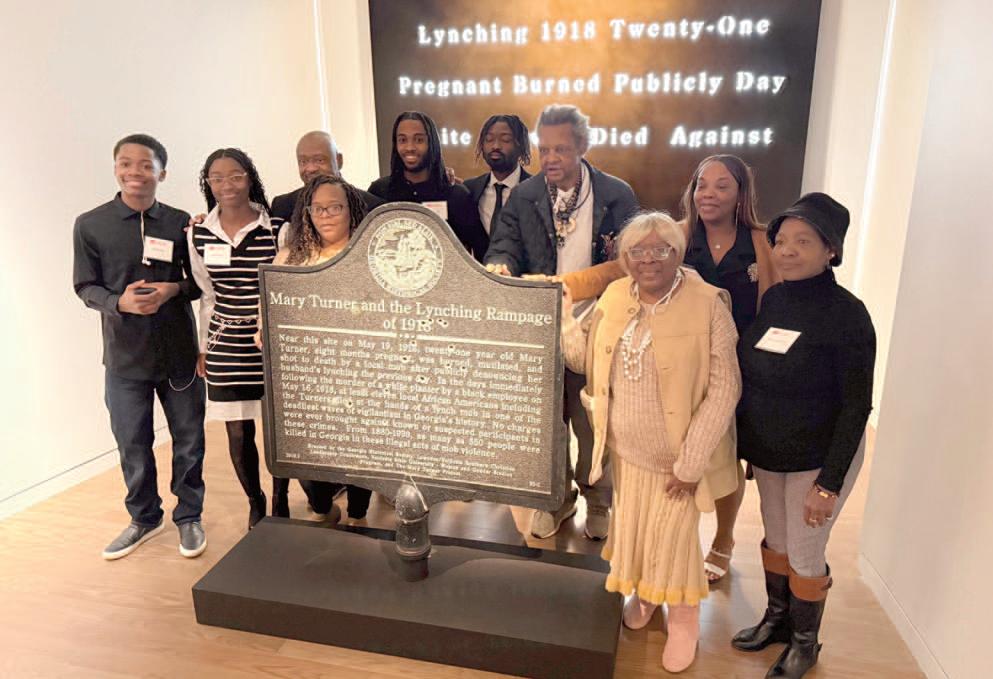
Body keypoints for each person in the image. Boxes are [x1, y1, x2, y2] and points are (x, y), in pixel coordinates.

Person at [560, 211, 740, 673]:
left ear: (678, 253)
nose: (649, 260)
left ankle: (683, 617)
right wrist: (564, 318)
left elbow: (725, 389)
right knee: (636, 532)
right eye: (637, 251)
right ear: (624, 257)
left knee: (674, 542)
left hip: (679, 459)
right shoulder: (616, 294)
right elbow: (583, 361)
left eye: (661, 249)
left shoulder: (708, 303)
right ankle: (645, 593)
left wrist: (691, 463)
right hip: (626, 452)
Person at [732, 193, 875, 679]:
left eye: (803, 241)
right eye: (781, 240)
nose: (787, 251)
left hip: (818, 455)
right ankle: (777, 620)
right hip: (772, 452)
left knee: (806, 549)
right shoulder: (775, 299)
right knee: (776, 540)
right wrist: (750, 446)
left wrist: (828, 484)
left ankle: (804, 642)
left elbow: (856, 406)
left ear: (830, 250)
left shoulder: (848, 315)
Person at [486, 103, 639, 541]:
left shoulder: (616, 194)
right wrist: (501, 264)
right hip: (541, 329)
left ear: (583, 147)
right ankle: (554, 500)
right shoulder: (524, 196)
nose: (550, 158)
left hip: (599, 325)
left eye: (561, 149)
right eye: (545, 149)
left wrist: (574, 285)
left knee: (593, 420)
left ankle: (599, 500)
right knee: (547, 426)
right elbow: (504, 244)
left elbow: (629, 262)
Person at [73, 133, 207, 560]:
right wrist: (119, 302)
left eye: (146, 165)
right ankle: (144, 518)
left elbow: (199, 283)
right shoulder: (90, 224)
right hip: (124, 358)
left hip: (178, 354)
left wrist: (173, 289)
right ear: (116, 168)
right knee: (132, 443)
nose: (136, 172)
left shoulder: (181, 223)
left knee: (189, 440)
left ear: (162, 173)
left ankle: (189, 516)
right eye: (126, 163)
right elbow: (84, 286)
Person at [679, 154, 780, 583]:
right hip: (685, 369)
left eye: (722, 186)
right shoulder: (679, 236)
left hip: (741, 370)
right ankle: (679, 541)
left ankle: (723, 539)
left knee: (728, 457)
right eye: (702, 185)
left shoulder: (761, 242)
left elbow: (775, 308)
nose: (709, 194)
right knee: (684, 454)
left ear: (741, 194)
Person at [256, 174, 374, 521]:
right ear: (307, 212)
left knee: (360, 452)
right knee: (309, 453)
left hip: (358, 376)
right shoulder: (289, 259)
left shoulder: (369, 257)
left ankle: (358, 514)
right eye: (318, 208)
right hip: (307, 379)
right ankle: (322, 507)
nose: (326, 215)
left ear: (351, 210)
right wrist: (264, 331)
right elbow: (269, 310)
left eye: (334, 207)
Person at [368, 111, 488, 261]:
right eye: (402, 140)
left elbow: (481, 252)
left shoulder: (456, 195)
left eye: (419, 140)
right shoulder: (379, 191)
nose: (409, 147)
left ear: (431, 144)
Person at [270, 130, 383, 224]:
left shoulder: (373, 208)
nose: (310, 168)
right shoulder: (282, 207)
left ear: (339, 160)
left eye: (319, 160)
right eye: (303, 161)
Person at [463, 114, 533, 246]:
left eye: (505, 140)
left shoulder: (538, 190)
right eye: (489, 139)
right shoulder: (470, 189)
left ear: (521, 146)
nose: (495, 146)